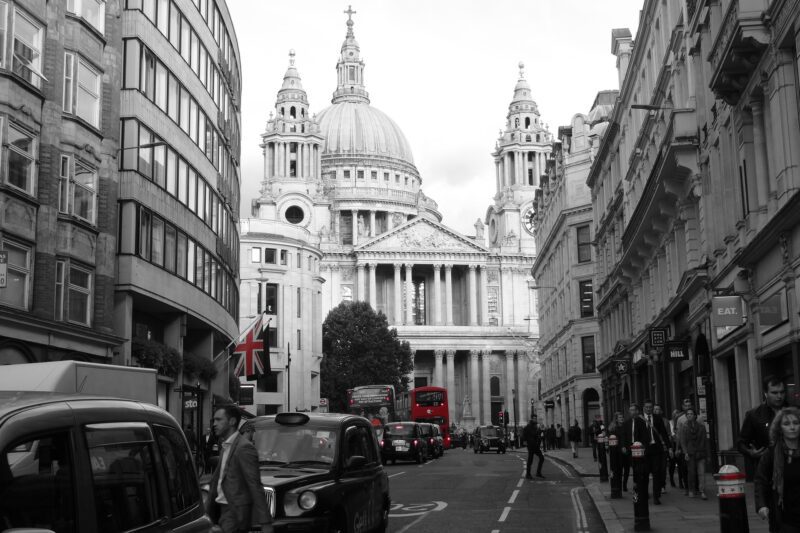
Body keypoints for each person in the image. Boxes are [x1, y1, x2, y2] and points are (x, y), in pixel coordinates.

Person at [205, 405, 272, 533]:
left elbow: (255, 485)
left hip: (234, 512)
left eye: (219, 420)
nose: (214, 424)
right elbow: (217, 481)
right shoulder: (225, 446)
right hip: (221, 510)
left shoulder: (244, 448)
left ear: (232, 421)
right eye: (214, 420)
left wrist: (265, 522)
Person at [755, 406, 800, 533]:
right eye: (787, 423)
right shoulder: (771, 454)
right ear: (780, 429)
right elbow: (760, 480)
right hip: (784, 518)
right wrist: (761, 505)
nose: (792, 427)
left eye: (796, 423)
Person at [740, 376, 789, 482]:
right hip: (766, 472)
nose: (779, 396)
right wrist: (751, 452)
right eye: (774, 393)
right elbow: (741, 442)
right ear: (766, 393)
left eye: (782, 392)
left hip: (791, 469)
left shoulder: (793, 412)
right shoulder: (754, 415)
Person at [641, 400, 670, 504]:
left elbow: (664, 433)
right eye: (647, 407)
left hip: (656, 449)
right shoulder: (639, 419)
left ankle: (656, 496)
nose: (649, 409)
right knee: (645, 473)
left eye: (650, 407)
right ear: (643, 408)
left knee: (657, 473)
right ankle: (645, 493)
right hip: (644, 450)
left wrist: (669, 447)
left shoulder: (657, 418)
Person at [679, 406, 708, 500]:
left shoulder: (701, 427)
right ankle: (691, 490)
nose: (689, 415)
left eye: (691, 414)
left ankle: (702, 491)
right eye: (688, 414)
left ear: (695, 416)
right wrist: (685, 453)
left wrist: (705, 452)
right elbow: (683, 441)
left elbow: (704, 441)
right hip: (690, 453)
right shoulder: (684, 427)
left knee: (701, 473)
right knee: (691, 472)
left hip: (700, 452)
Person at [609, 411, 631, 491]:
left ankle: (624, 484)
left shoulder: (626, 427)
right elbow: (613, 441)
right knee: (619, 469)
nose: (622, 419)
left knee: (627, 469)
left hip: (627, 450)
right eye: (620, 418)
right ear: (616, 419)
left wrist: (627, 448)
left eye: (622, 417)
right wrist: (621, 447)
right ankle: (619, 484)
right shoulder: (613, 428)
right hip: (618, 452)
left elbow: (628, 438)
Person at [523, 415, 545, 479]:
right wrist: (526, 442)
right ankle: (528, 474)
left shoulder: (536, 426)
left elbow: (538, 435)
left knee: (542, 458)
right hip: (531, 446)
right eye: (534, 418)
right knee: (530, 460)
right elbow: (525, 435)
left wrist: (541, 431)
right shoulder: (528, 426)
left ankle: (538, 473)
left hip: (536, 446)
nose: (535, 419)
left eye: (536, 418)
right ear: (532, 419)